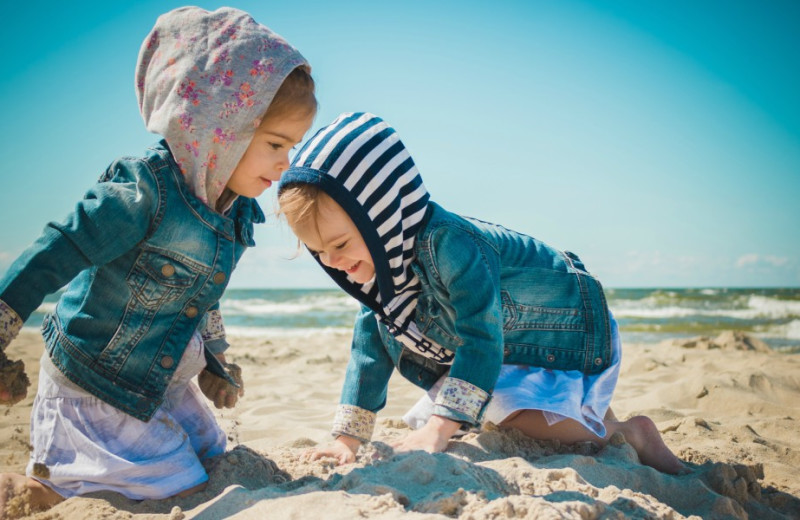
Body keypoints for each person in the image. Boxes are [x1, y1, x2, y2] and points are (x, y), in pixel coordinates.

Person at [0, 6, 316, 513]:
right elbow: (55, 252)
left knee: (212, 457)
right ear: (220, 127)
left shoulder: (236, 213)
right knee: (174, 485)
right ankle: (40, 490)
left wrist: (216, 361)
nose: (285, 163)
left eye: (292, 146)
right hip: (96, 377)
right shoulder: (144, 192)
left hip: (158, 377)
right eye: (275, 144)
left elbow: (203, 295)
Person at [276, 112, 686, 475]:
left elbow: (482, 335)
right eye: (318, 252)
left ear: (382, 214)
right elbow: (369, 351)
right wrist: (347, 438)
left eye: (341, 244)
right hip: (515, 336)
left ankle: (631, 435)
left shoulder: (450, 244)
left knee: (510, 413)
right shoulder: (379, 276)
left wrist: (441, 427)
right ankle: (603, 428)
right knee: (549, 410)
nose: (332, 261)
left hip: (565, 321)